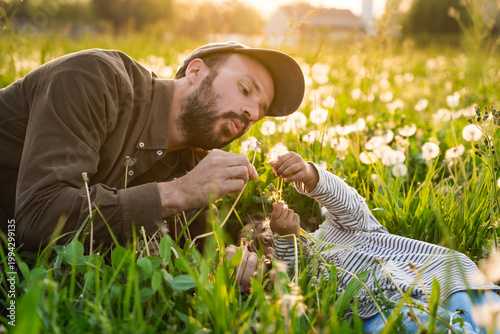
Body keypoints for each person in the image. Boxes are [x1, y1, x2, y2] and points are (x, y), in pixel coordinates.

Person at [0, 42, 305, 250]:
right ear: (195, 71)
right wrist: (177, 193)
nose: (251, 113)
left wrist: (240, 254)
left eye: (259, 112)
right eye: (245, 89)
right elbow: (36, 218)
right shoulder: (94, 79)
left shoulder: (190, 160)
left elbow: (199, 245)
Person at [229, 151, 500, 333]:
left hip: (439, 276)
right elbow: (292, 275)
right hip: (382, 311)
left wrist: (311, 176)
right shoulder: (305, 279)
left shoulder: (339, 227)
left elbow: (348, 203)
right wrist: (285, 241)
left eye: (267, 227)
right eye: (266, 241)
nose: (270, 234)